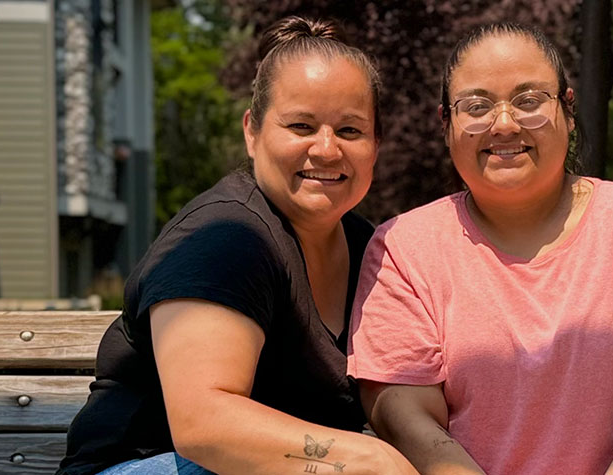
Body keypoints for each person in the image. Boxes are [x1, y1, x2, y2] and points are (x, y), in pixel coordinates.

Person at [347, 23, 613, 475]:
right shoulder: (405, 248)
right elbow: (405, 412)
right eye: (477, 106)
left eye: (529, 100)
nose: (504, 124)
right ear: (447, 125)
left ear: (568, 110)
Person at [59, 16, 416, 475]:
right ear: (253, 131)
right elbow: (204, 426)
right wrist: (368, 458)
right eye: (301, 126)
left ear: (375, 144)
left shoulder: (369, 247)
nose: (327, 149)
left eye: (350, 131)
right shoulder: (224, 238)